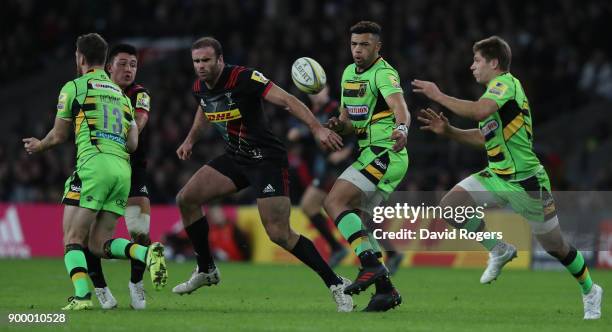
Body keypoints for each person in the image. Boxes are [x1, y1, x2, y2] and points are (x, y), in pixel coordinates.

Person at [413, 35, 602, 320]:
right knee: (450, 206)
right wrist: (450, 131)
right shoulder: (493, 94)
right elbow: (483, 138)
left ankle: (590, 290)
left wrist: (438, 95)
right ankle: (498, 249)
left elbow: (479, 111)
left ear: (494, 62)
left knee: (555, 246)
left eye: (477, 60)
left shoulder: (505, 85)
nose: (471, 67)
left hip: (527, 183)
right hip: (496, 176)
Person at [172, 37, 353, 312]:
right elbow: (204, 107)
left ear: (220, 59)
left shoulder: (244, 77)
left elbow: (288, 100)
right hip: (236, 157)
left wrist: (316, 128)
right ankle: (206, 269)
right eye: (196, 61)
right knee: (187, 198)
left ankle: (336, 282)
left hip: (266, 160)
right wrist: (190, 140)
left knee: (279, 233)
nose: (201, 66)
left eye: (206, 60)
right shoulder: (200, 86)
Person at [22, 33, 167, 311]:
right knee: (99, 244)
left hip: (94, 166)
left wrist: (40, 146)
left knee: (72, 238)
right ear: (106, 60)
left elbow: (59, 135)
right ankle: (146, 253)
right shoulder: (123, 97)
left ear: (80, 57)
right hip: (122, 171)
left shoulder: (75, 86)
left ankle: (82, 297)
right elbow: (132, 142)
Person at [324, 21, 410, 311]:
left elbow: (400, 108)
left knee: (334, 201)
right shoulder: (348, 73)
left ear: (377, 47)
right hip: (368, 152)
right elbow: (348, 120)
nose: (357, 50)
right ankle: (386, 291)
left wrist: (402, 129)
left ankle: (371, 265)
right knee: (358, 219)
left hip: (387, 150)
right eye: (354, 44)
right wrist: (339, 125)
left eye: (364, 45)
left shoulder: (384, 73)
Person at [84, 43, 153, 310]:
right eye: (122, 63)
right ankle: (101, 289)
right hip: (98, 168)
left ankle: (136, 283)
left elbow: (140, 119)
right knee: (91, 237)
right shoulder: (93, 88)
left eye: (133, 65)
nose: (128, 69)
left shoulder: (140, 93)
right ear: (109, 66)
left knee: (140, 232)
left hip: (133, 170)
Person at [287, 85, 351, 268]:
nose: (316, 96)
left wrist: (345, 152)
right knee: (352, 211)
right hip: (326, 167)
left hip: (338, 167)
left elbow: (356, 131)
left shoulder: (336, 108)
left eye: (320, 90)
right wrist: (298, 134)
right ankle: (338, 247)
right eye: (312, 93)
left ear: (328, 90)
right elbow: (312, 136)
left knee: (310, 204)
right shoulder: (312, 113)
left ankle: (337, 247)